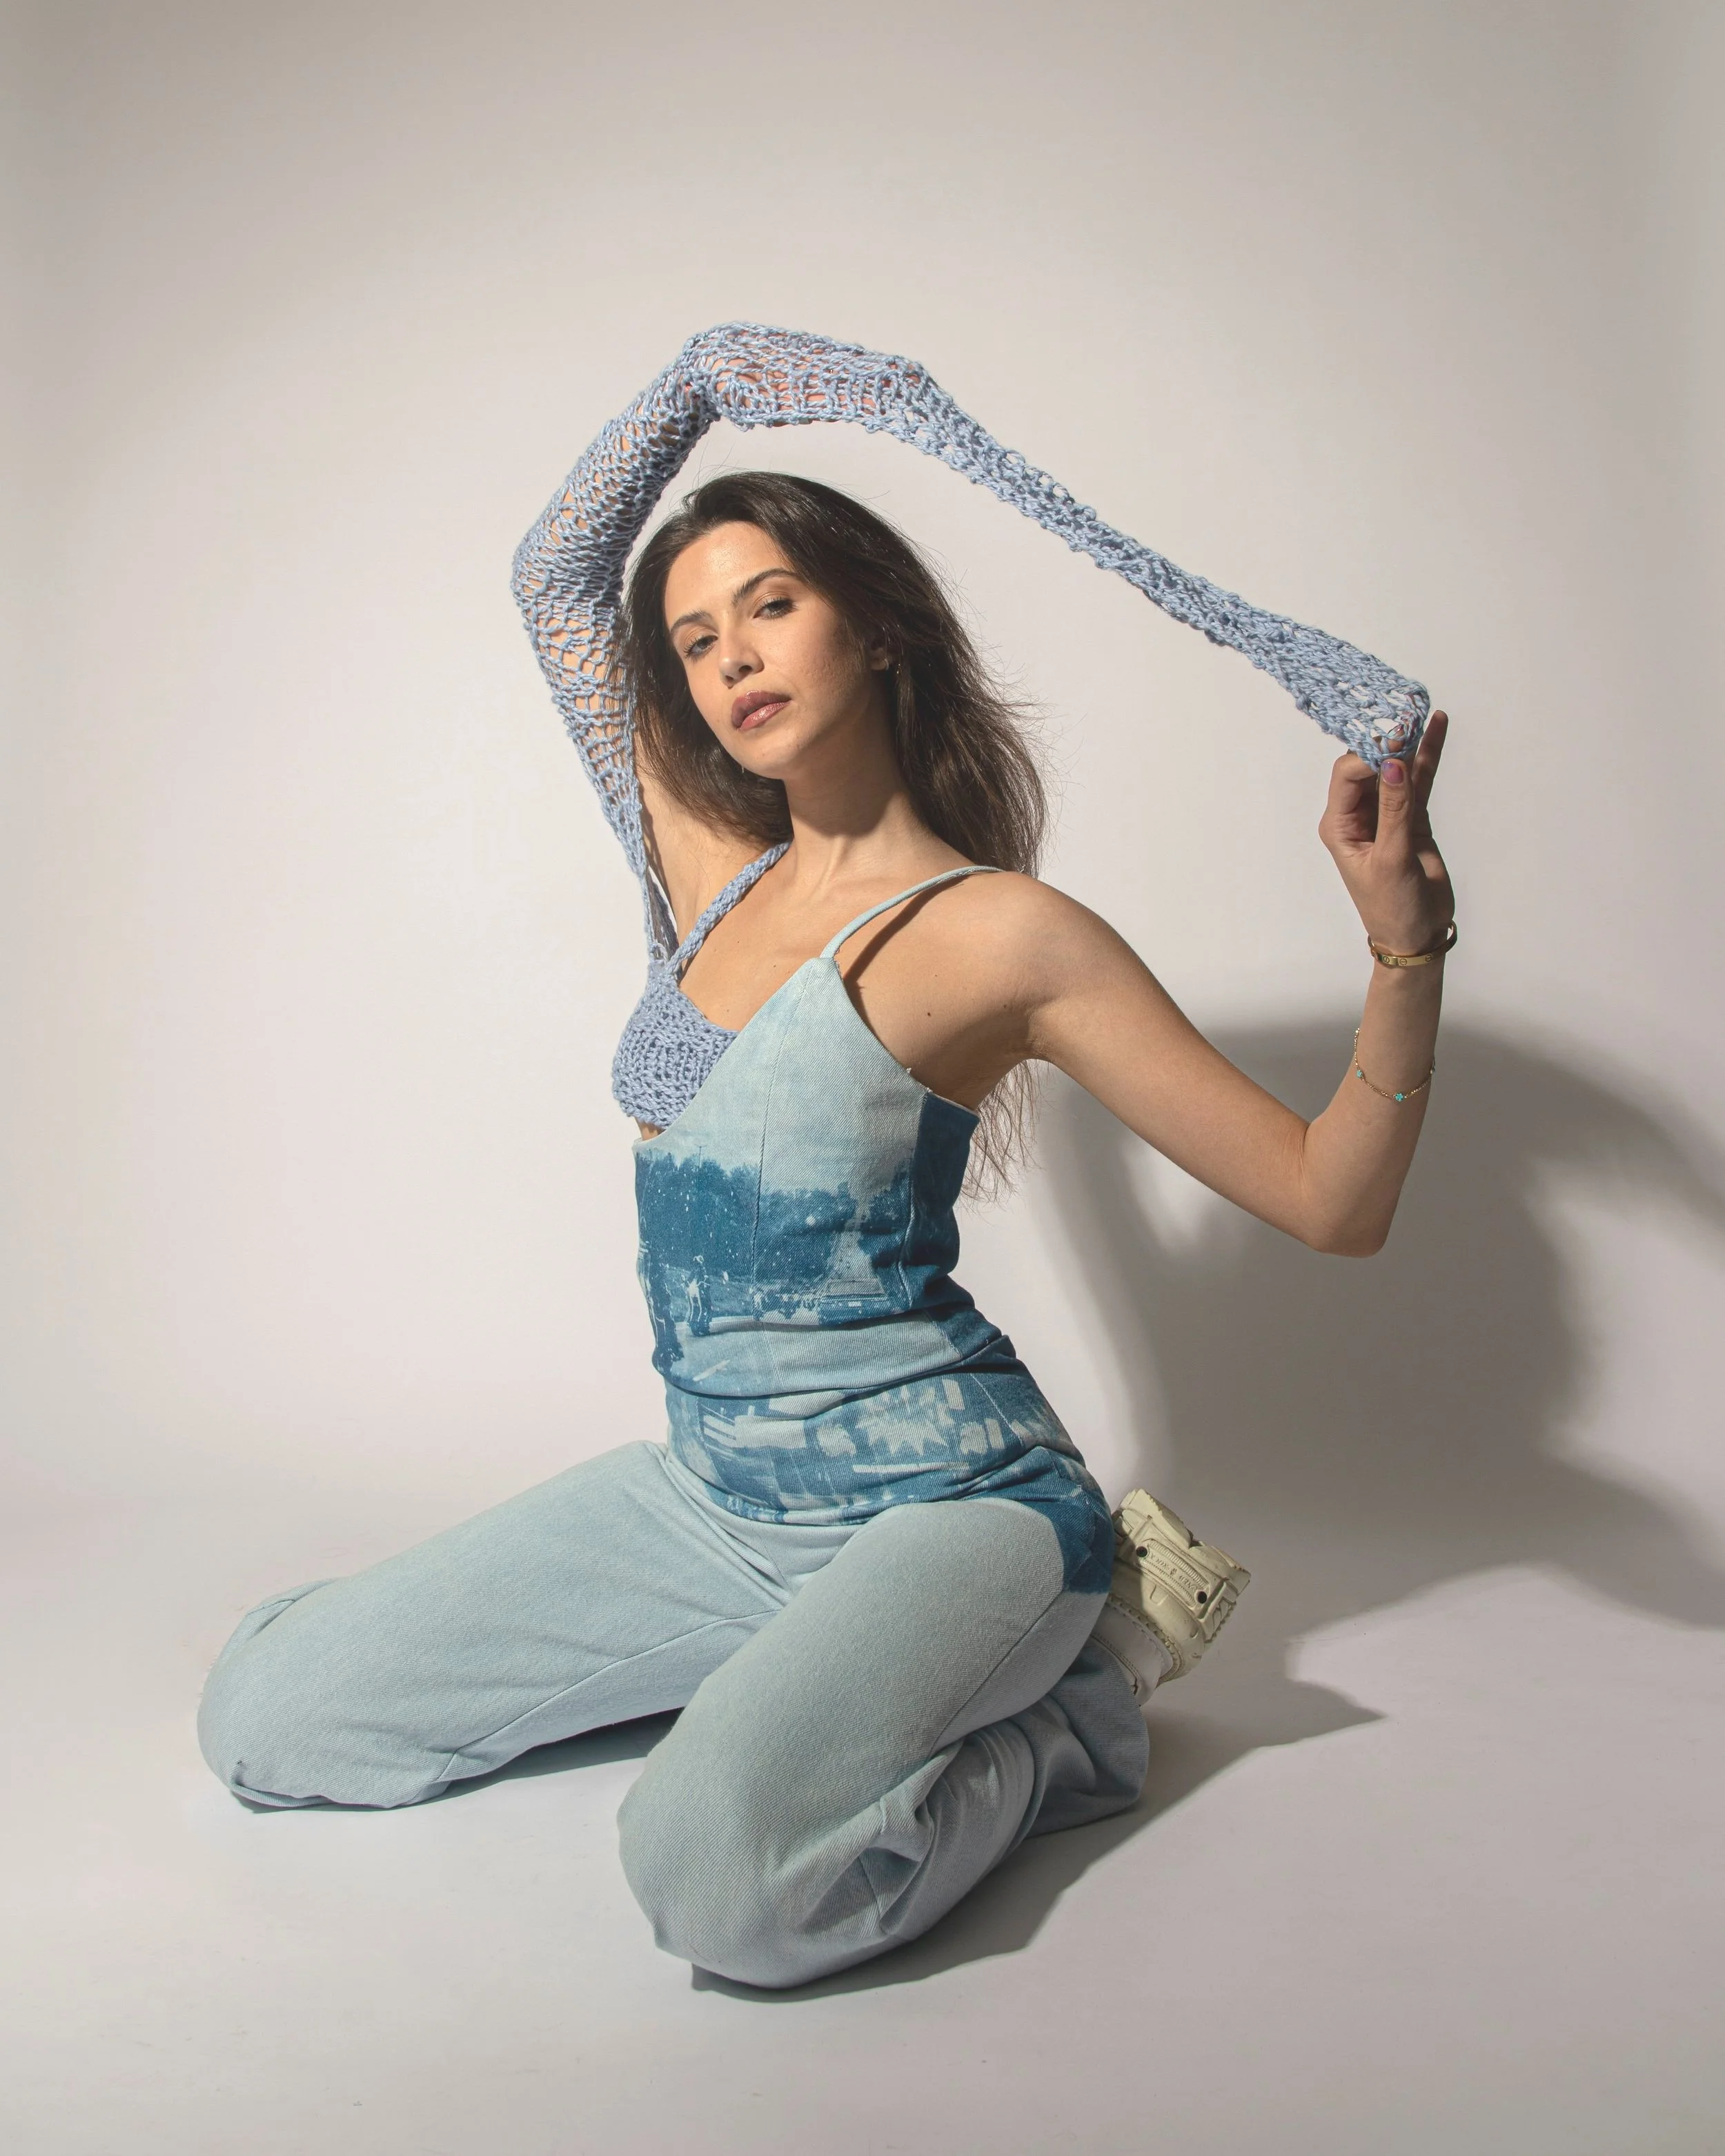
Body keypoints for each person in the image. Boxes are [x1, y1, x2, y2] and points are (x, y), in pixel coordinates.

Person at [198, 325, 1454, 1990]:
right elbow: (554, 575)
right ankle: (784, 1677)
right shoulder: (701, 864)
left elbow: (1327, 1199)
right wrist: (701, 374)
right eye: (694, 637)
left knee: (716, 1875)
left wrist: (1402, 949)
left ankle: (1078, 1704)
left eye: (769, 603)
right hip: (710, 1496)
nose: (730, 655)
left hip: (955, 1514)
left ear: (871, 622)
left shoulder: (1001, 932)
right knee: (269, 1714)